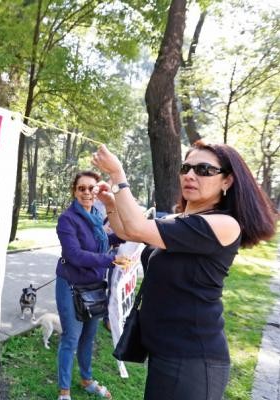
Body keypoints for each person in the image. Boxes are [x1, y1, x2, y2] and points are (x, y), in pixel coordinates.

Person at [91, 142, 277, 400]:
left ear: (227, 181)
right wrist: (111, 203)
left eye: (204, 169)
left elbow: (135, 227)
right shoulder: (178, 221)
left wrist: (118, 175)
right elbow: (126, 231)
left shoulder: (223, 225)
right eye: (186, 167)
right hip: (167, 351)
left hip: (193, 359)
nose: (190, 175)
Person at [55, 170, 129, 400]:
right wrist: (110, 259)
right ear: (74, 192)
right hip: (71, 287)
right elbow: (75, 255)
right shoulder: (67, 219)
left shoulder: (97, 215)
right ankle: (64, 392)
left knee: (89, 337)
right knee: (71, 338)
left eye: (92, 188)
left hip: (95, 287)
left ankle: (87, 380)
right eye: (82, 188)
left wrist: (127, 237)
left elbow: (104, 240)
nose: (87, 192)